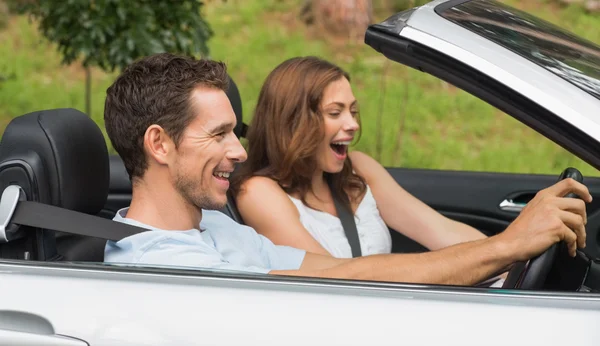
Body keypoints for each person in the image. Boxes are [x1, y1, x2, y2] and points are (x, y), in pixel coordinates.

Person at [103, 52, 590, 286]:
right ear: (159, 144)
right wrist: (508, 246)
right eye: (218, 135)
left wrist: (501, 253)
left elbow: (340, 269)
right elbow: (339, 287)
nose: (237, 151)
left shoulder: (212, 227)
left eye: (236, 132)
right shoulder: (169, 270)